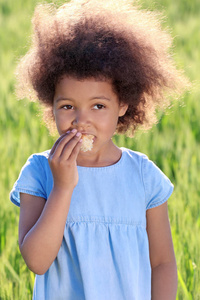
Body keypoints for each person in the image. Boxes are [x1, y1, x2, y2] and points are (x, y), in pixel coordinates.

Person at [10, 0, 188, 299]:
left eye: (98, 105)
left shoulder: (144, 176)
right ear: (50, 105)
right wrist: (63, 187)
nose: (82, 120)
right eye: (67, 106)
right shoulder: (40, 171)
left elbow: (162, 263)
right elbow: (37, 262)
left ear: (123, 105)